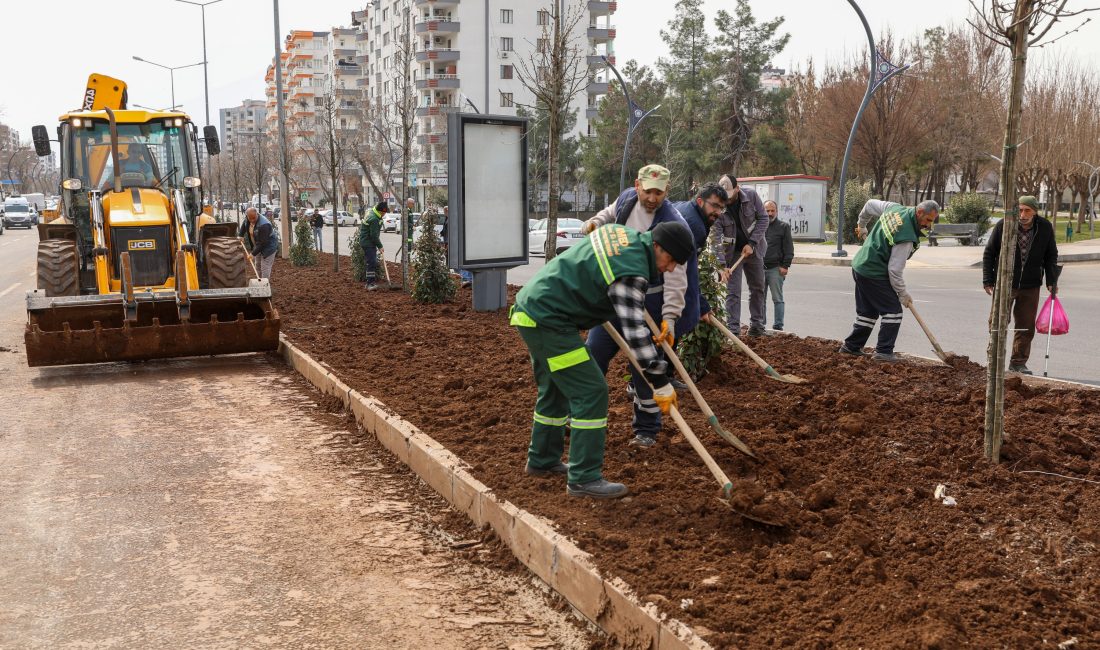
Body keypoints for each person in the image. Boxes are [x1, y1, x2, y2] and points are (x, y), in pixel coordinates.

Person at [509, 221, 694, 498]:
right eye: (671, 261)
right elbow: (634, 330)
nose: (670, 269)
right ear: (657, 246)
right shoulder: (631, 272)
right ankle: (584, 478)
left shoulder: (621, 234)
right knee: (591, 390)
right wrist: (659, 380)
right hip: (550, 320)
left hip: (533, 309)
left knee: (557, 388)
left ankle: (542, 460)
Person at [581, 164, 692, 448]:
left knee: (644, 367)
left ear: (668, 191)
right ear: (637, 185)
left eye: (659, 192)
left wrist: (670, 317)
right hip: (612, 295)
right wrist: (595, 221)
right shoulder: (627, 199)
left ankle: (647, 430)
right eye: (648, 191)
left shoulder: (674, 223)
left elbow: (677, 276)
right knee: (594, 352)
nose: (653, 198)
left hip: (650, 299)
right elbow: (608, 215)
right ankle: (578, 411)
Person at [839, 200, 940, 361]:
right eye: (927, 220)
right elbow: (894, 270)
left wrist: (862, 224)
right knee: (893, 312)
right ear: (919, 212)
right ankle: (884, 352)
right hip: (874, 272)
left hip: (860, 265)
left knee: (868, 312)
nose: (928, 225)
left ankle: (851, 346)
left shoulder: (894, 209)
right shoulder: (906, 236)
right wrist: (902, 293)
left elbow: (870, 204)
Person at [982, 195, 1059, 375]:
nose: (1022, 215)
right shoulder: (1004, 225)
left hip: (1031, 284)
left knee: (1025, 325)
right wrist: (988, 279)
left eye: (1027, 210)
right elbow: (989, 253)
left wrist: (1052, 281)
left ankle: (1018, 363)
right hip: (1005, 282)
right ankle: (994, 359)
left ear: (1035, 211)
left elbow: (1051, 256)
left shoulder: (1045, 227)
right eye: (1020, 210)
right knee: (997, 321)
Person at [671, 181, 729, 335]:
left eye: (721, 208)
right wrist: (702, 305)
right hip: (666, 283)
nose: (717, 212)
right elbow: (686, 270)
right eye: (714, 206)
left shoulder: (684, 206)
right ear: (700, 201)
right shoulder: (695, 226)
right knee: (674, 330)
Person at [716, 175, 769, 336]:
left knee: (757, 288)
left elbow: (763, 219)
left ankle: (756, 326)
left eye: (729, 195)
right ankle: (733, 330)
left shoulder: (751, 196)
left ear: (737, 189)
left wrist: (752, 243)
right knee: (733, 292)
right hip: (732, 254)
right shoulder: (717, 205)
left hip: (753, 249)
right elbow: (715, 239)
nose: (726, 199)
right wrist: (721, 266)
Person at [762, 199, 794, 331]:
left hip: (776, 269)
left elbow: (789, 249)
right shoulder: (759, 226)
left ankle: (778, 326)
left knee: (778, 299)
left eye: (772, 210)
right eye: (767, 210)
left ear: (776, 211)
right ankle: (760, 324)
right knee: (759, 299)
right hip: (759, 268)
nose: (769, 213)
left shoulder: (783, 227)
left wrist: (785, 266)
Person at [238, 207, 279, 280]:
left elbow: (263, 243)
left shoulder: (264, 225)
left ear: (257, 214)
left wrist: (253, 254)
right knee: (257, 265)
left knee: (265, 267)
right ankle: (259, 282)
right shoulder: (248, 218)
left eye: (254, 218)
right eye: (250, 219)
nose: (252, 220)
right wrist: (241, 235)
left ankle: (265, 285)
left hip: (269, 247)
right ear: (247, 216)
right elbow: (244, 224)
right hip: (258, 245)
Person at [439, 205, 473, 287]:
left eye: (445, 211)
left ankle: (466, 278)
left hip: (454, 243)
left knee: (458, 261)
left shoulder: (452, 219)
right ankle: (465, 277)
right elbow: (446, 231)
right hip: (452, 242)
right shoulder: (448, 219)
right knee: (454, 261)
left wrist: (447, 243)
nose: (444, 213)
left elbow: (451, 232)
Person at [359, 202, 386, 290]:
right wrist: (380, 246)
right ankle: (370, 284)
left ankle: (370, 282)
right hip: (368, 243)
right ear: (380, 211)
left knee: (371, 262)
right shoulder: (374, 219)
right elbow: (374, 236)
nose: (384, 214)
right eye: (383, 213)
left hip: (367, 242)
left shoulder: (371, 212)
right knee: (371, 262)